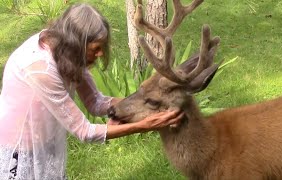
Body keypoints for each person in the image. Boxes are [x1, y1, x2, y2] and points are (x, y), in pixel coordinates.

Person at [0, 3, 183, 179]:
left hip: (44, 140)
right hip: (18, 149)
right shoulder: (41, 70)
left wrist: (145, 105)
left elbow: (96, 101)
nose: (101, 54)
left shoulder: (66, 52)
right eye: (96, 48)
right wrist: (143, 126)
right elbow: (84, 131)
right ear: (76, 44)